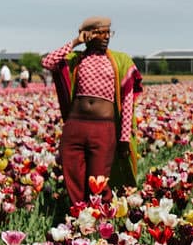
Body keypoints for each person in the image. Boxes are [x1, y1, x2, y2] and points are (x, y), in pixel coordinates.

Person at [42, 17, 142, 207]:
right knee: (73, 176)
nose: (106, 38)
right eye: (100, 33)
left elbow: (127, 100)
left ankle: (99, 220)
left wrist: (124, 138)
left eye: (108, 33)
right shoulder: (76, 58)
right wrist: (75, 42)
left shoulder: (120, 60)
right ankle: (79, 217)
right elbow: (48, 62)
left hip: (103, 128)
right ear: (88, 35)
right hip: (75, 126)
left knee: (99, 179)